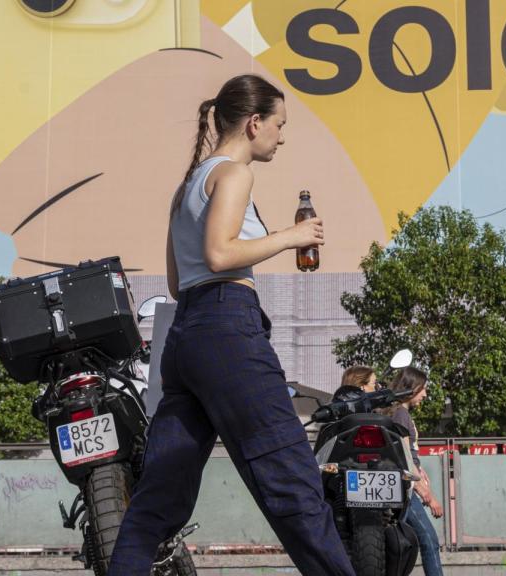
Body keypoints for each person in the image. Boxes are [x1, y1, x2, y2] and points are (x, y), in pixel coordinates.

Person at [108, 74, 355, 576]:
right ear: (254, 122)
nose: (281, 137)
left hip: (185, 339)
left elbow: (179, 283)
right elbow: (220, 254)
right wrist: (292, 235)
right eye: (279, 125)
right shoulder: (235, 174)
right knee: (291, 476)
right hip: (227, 331)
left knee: (159, 497)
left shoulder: (188, 186)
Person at [387, 367, 444, 576]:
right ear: (412, 388)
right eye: (423, 389)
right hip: (407, 490)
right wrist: (427, 495)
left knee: (400, 546)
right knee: (429, 540)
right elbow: (404, 457)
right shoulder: (401, 415)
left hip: (406, 487)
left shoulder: (399, 413)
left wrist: (419, 470)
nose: (425, 394)